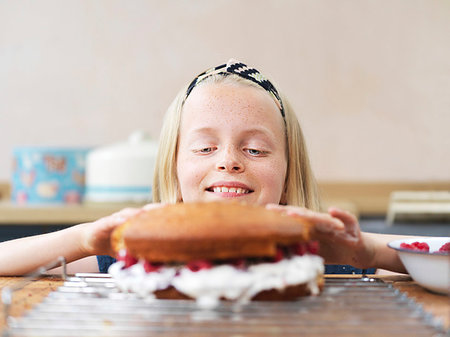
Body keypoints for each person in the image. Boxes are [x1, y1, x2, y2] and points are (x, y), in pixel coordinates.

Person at [0, 59, 407, 276]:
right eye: (206, 147)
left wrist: (367, 251)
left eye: (256, 150)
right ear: (173, 170)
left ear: (288, 175)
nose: (228, 161)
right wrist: (89, 239)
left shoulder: (322, 260)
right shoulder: (144, 259)